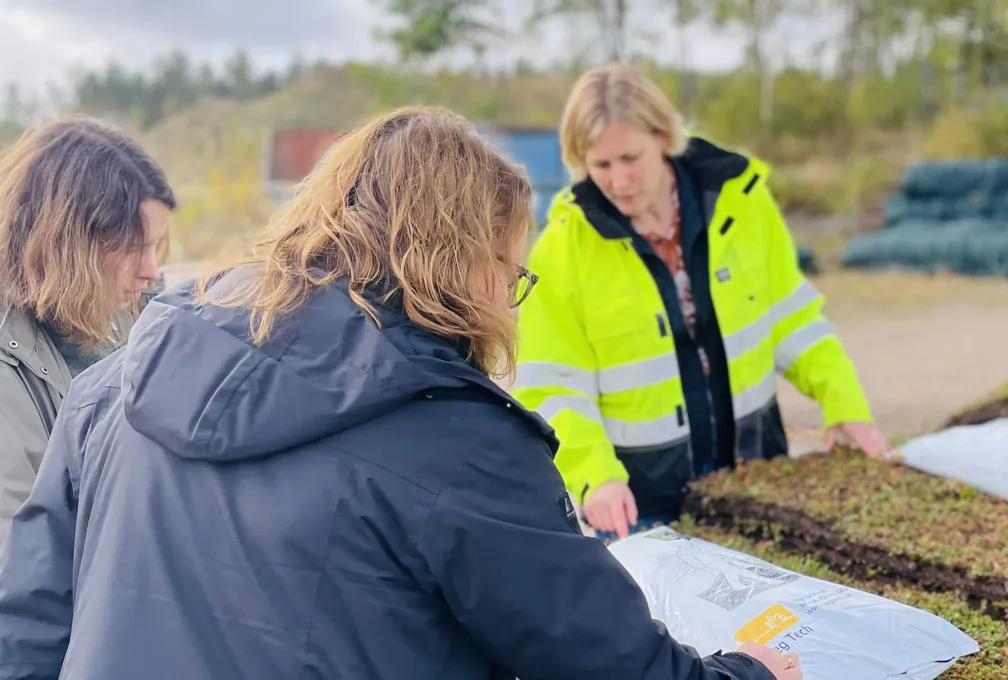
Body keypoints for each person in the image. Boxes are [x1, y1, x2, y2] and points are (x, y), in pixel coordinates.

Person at [0, 105, 798, 680]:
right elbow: (610, 662)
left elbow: (29, 635)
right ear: (455, 263)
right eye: (507, 269)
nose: (507, 294)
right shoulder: (460, 444)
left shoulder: (110, 388)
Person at [512, 62, 888, 543]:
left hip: (758, 477)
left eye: (631, 158)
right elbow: (552, 384)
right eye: (600, 166)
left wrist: (845, 403)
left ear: (663, 136)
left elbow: (792, 320)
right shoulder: (563, 246)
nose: (619, 180)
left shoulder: (740, 200)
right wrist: (595, 474)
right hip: (643, 503)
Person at [0, 116, 174, 546]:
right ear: (65, 246)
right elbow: (19, 563)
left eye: (155, 246)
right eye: (133, 249)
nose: (152, 272)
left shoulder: (134, 309)